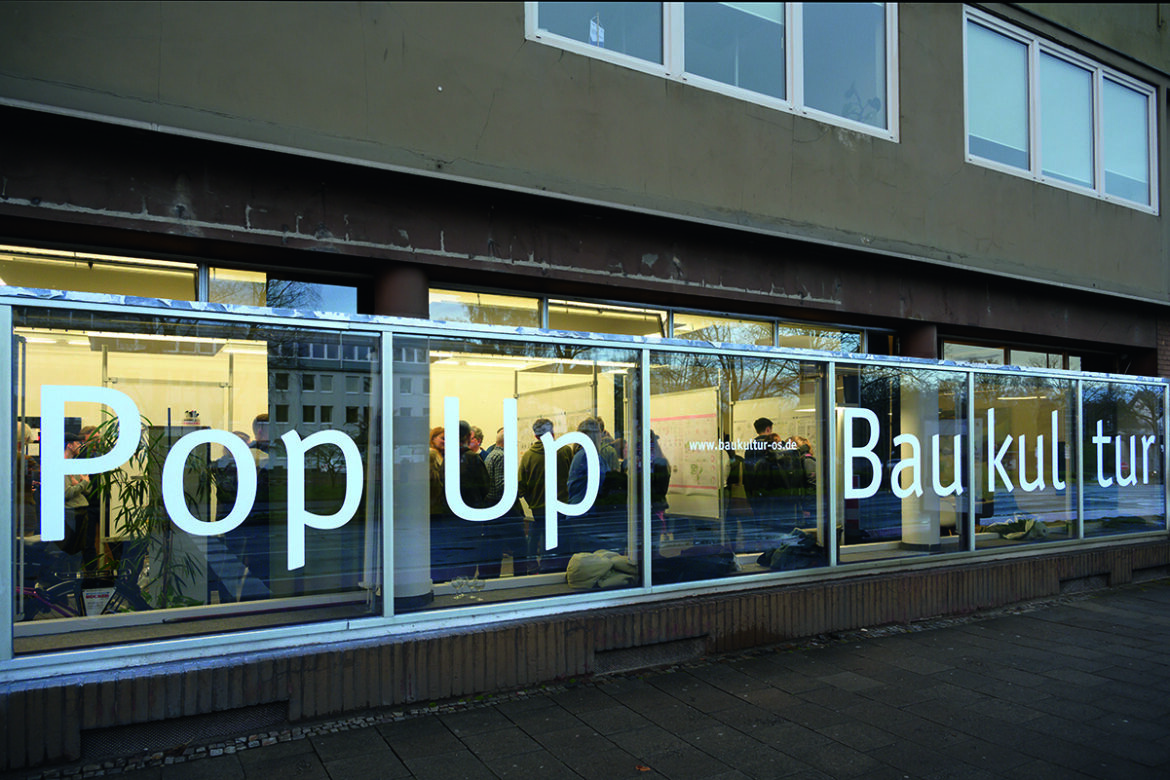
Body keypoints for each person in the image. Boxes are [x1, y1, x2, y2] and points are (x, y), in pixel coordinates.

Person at [518, 418, 571, 573]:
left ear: (535, 436)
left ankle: (535, 566)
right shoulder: (564, 451)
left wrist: (532, 501)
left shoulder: (528, 456)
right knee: (557, 541)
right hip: (561, 507)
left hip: (538, 508)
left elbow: (521, 486)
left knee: (536, 537)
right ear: (553, 432)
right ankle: (552, 568)